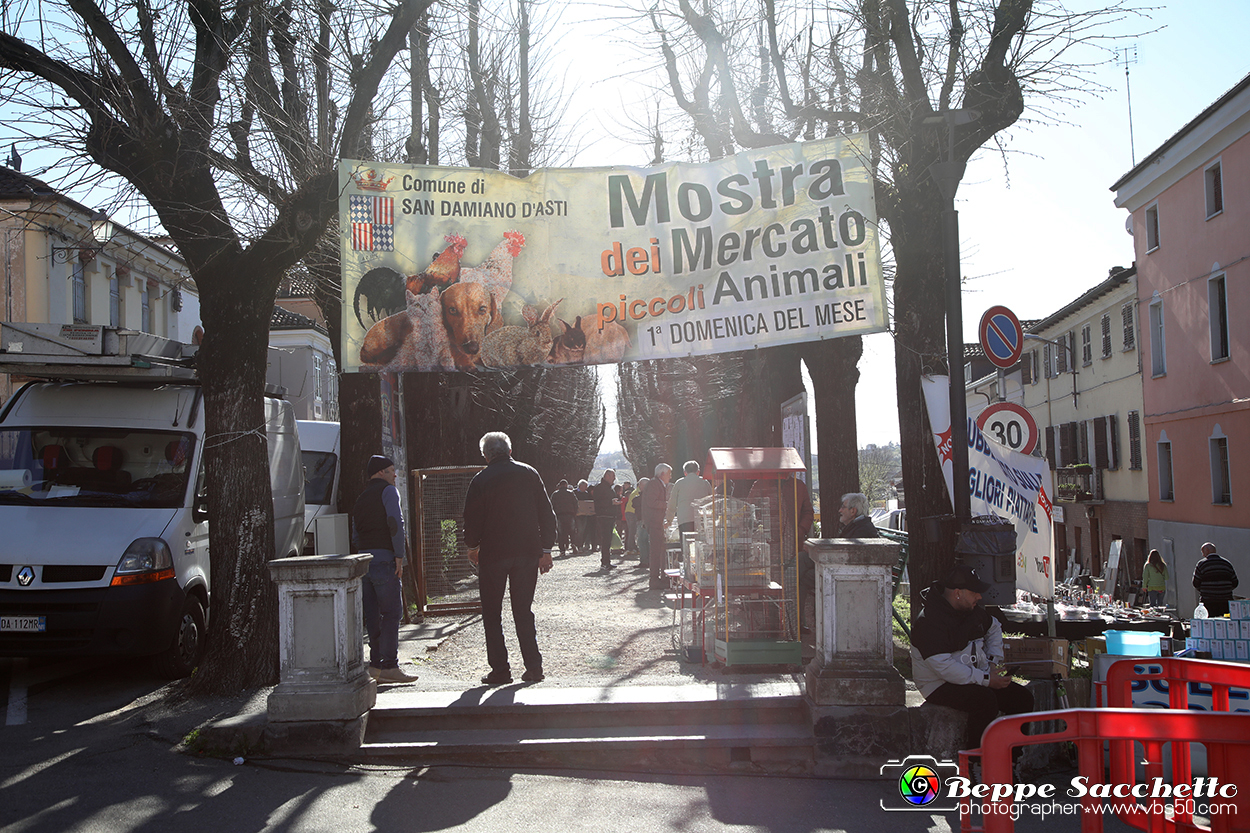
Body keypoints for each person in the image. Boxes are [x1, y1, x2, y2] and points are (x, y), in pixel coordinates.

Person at [463, 432, 556, 686]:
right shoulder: (529, 473)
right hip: (527, 552)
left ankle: (500, 670)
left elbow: (472, 520)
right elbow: (547, 514)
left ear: (485, 455)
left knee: (492, 613)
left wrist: (472, 546)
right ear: (510, 451)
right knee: (523, 611)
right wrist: (546, 550)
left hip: (492, 554)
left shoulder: (480, 480)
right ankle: (534, 667)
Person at [911, 563, 1034, 750]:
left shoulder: (971, 610)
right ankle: (977, 760)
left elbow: (994, 627)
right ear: (958, 593)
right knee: (984, 701)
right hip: (938, 684)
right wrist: (986, 680)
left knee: (1022, 698)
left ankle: (1011, 760)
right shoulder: (928, 622)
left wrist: (993, 663)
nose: (980, 596)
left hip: (976, 676)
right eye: (975, 592)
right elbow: (943, 667)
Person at [351, 455, 419, 684]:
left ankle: (376, 666)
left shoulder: (361, 498)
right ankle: (390, 665)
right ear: (380, 473)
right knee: (391, 614)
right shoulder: (389, 492)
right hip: (384, 560)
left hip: (365, 562)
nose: (395, 474)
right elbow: (395, 522)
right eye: (391, 470)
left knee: (372, 616)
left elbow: (355, 532)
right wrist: (399, 555)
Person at [641, 463, 672, 589]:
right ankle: (654, 579)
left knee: (658, 551)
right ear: (662, 474)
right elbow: (652, 502)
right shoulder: (654, 484)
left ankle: (659, 578)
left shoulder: (656, 483)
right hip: (654, 522)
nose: (670, 477)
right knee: (655, 552)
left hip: (656, 522)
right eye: (669, 474)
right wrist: (667, 504)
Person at [1192, 542, 1239, 617]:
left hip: (1208, 601)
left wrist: (1206, 590)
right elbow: (1235, 582)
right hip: (1225, 601)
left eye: (1202, 552)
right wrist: (1224, 590)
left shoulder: (1202, 564)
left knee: (1210, 625)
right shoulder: (1226, 564)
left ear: (1207, 550)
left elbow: (1196, 583)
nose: (1202, 555)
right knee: (1225, 624)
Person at [667, 460, 713, 534]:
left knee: (686, 543)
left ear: (685, 472)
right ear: (698, 471)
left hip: (684, 519)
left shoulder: (679, 483)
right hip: (701, 519)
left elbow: (672, 504)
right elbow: (711, 501)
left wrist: (669, 520)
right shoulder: (705, 482)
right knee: (700, 542)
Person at [591, 469, 619, 570]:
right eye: (613, 476)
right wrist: (611, 503)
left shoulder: (608, 488)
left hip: (609, 516)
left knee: (607, 541)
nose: (614, 479)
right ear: (607, 476)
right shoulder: (600, 488)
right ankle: (604, 562)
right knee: (605, 540)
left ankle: (606, 561)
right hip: (604, 516)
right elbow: (598, 502)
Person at [550, 479, 578, 556]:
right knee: (572, 532)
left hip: (560, 515)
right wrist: (574, 513)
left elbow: (552, 505)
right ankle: (573, 544)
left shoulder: (555, 494)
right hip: (570, 514)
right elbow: (576, 503)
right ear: (566, 485)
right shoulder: (571, 493)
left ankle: (562, 549)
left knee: (561, 533)